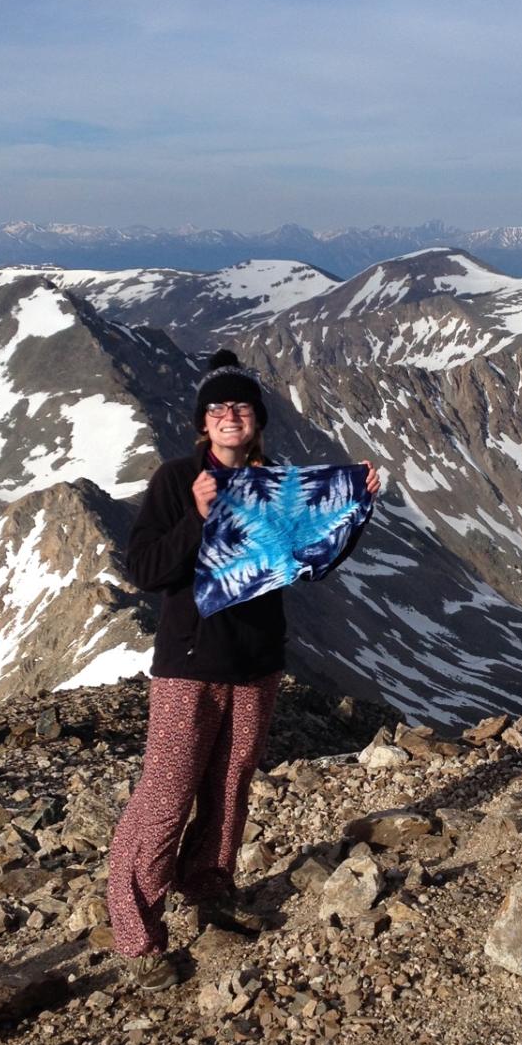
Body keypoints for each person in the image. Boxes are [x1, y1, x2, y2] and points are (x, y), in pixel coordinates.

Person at [106, 350, 381, 990]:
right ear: (204, 422)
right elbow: (145, 570)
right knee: (167, 792)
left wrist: (354, 506)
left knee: (231, 784)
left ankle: (209, 889)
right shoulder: (178, 480)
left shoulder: (275, 484)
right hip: (189, 664)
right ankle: (136, 932)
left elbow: (309, 558)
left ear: (257, 419)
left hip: (256, 663)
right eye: (219, 409)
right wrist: (198, 519)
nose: (231, 417)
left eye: (242, 407)